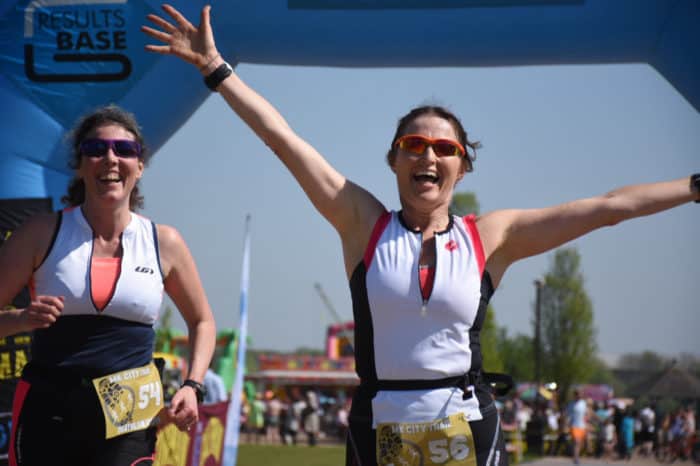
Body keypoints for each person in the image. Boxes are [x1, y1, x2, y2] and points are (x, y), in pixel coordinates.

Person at [141, 5, 700, 465]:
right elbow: (283, 139)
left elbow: (607, 208)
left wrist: (695, 186)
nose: (428, 155)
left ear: (463, 167)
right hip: (378, 428)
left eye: (444, 148)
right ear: (394, 160)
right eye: (414, 145)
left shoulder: (494, 235)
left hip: (469, 426)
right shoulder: (362, 222)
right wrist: (216, 68)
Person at [0, 104, 217, 466]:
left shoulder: (165, 242)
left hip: (129, 418)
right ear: (80, 165)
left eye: (124, 150)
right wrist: (21, 319)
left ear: (140, 165)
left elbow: (203, 322)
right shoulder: (39, 233)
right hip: (48, 409)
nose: (110, 159)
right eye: (96, 150)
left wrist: (193, 386)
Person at [567, 389, 588, 464]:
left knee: (581, 444)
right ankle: (576, 458)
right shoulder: (571, 404)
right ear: (575, 395)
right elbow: (567, 415)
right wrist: (566, 424)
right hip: (574, 425)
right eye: (577, 394)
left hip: (582, 426)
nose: (579, 395)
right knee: (577, 441)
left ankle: (575, 455)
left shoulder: (583, 404)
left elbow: (587, 414)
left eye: (580, 394)